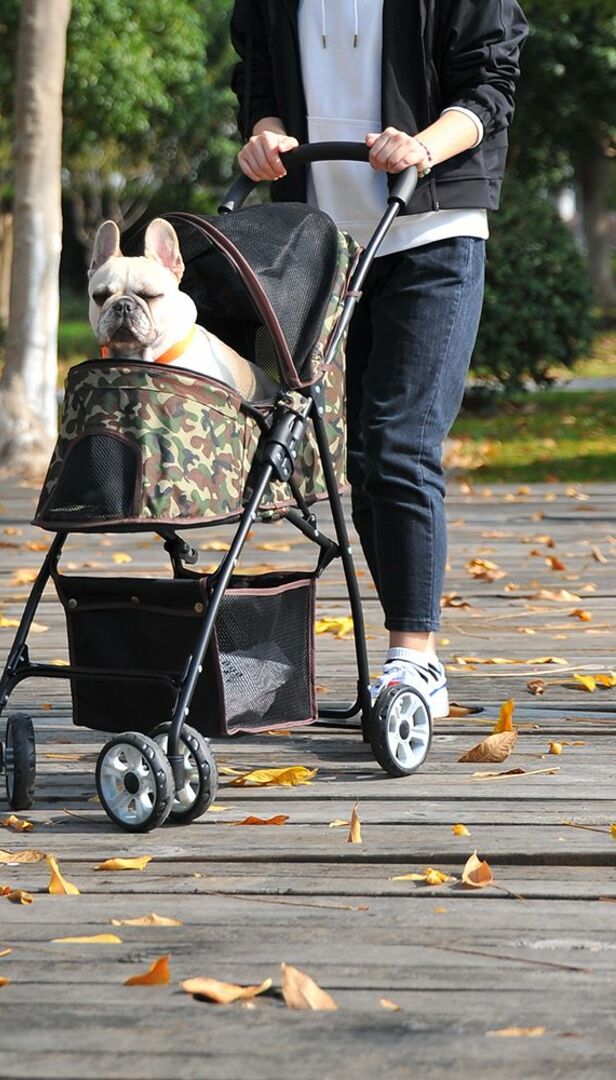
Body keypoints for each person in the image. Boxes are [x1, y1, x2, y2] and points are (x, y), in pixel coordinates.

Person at [229, 1, 527, 718]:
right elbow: (261, 88)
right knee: (363, 460)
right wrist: (263, 138)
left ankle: (414, 656)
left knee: (401, 441)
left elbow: (490, 88)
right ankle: (403, 661)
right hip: (325, 239)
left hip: (432, 228)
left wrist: (423, 143)